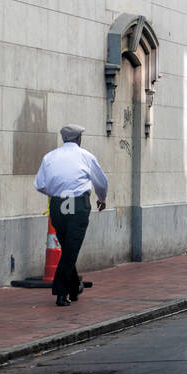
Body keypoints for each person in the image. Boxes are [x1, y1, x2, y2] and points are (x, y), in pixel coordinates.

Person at [34, 124, 108, 306]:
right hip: (77, 204)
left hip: (58, 204)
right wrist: (102, 198)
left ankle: (74, 287)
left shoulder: (49, 157)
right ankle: (61, 292)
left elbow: (40, 184)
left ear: (63, 138)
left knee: (68, 248)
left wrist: (57, 192)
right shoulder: (86, 156)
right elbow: (101, 182)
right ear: (78, 139)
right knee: (71, 249)